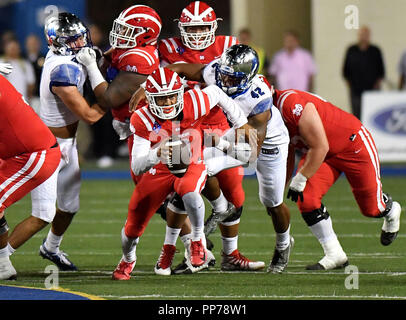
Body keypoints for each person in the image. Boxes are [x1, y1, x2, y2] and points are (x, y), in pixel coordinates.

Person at [161, 44, 293, 274]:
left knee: (272, 202)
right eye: (223, 74)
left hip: (266, 143)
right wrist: (146, 86)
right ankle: (221, 208)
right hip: (233, 131)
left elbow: (249, 154)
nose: (224, 81)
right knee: (199, 165)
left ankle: (284, 244)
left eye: (232, 79)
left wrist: (214, 141)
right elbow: (180, 69)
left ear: (247, 78)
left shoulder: (258, 100)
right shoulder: (216, 70)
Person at [111, 67, 250, 280]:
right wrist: (156, 153)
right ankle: (128, 258)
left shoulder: (195, 101)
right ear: (150, 99)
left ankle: (197, 241)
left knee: (190, 191)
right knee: (132, 228)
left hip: (192, 159)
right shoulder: (142, 118)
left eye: (171, 97)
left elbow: (218, 93)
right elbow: (137, 166)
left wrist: (242, 122)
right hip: (159, 168)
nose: (167, 103)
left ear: (180, 93)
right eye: (161, 99)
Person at [158, 1, 262, 273]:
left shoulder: (229, 43)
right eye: (191, 29)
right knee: (181, 191)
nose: (196, 34)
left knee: (234, 192)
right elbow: (160, 80)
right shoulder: (167, 48)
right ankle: (197, 249)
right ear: (180, 28)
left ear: (213, 27)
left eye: (202, 28)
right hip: (182, 124)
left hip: (219, 121)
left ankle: (230, 255)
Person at [274, 88, 402, 270]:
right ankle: (334, 253)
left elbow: (320, 145)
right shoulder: (266, 115)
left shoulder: (288, 104)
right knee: (307, 199)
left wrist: (300, 178)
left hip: (352, 144)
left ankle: (390, 210)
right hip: (323, 154)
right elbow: (287, 151)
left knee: (373, 209)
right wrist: (280, 187)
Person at [33, 12, 106, 271]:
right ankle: (3, 257)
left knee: (69, 206)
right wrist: (116, 100)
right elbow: (89, 115)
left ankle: (51, 247)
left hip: (67, 145)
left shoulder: (67, 57)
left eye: (80, 37)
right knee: (41, 215)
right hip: (49, 147)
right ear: (57, 41)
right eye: (73, 40)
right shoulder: (62, 70)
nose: (80, 43)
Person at [76, 4, 161, 180]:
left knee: (150, 188)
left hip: (149, 129)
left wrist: (91, 65)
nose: (121, 32)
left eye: (127, 29)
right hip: (133, 125)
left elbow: (107, 99)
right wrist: (97, 57)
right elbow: (105, 64)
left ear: (144, 34)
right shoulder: (127, 47)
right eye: (121, 27)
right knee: (143, 187)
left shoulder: (140, 59)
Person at [0, 68, 61, 280]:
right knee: (44, 213)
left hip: (34, 154)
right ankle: (2, 261)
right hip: (22, 151)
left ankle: (1, 264)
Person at [343, 26, 385, 120]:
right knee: (357, 115)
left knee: (372, 114)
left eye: (366, 34)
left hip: (372, 90)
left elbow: (381, 71)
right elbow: (345, 70)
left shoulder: (375, 50)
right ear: (358, 35)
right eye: (362, 34)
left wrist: (377, 85)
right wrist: (350, 84)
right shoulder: (351, 50)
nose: (364, 37)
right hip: (356, 90)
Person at [24, 34, 46, 112]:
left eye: (35, 43)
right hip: (25, 97)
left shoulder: (45, 59)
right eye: (30, 44)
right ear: (26, 45)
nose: (32, 46)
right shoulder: (22, 59)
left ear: (39, 44)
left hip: (40, 96)